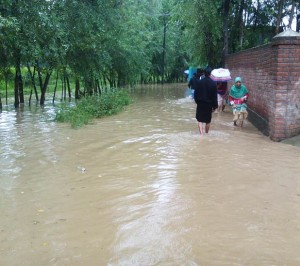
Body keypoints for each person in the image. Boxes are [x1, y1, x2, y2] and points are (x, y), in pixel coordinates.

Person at [194, 66, 218, 135]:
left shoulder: (199, 82)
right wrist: (215, 106)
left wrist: (197, 102)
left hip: (200, 103)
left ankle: (201, 134)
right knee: (208, 121)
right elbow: (214, 96)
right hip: (209, 104)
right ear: (210, 74)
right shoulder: (213, 84)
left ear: (204, 73)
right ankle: (206, 133)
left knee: (200, 120)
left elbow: (196, 94)